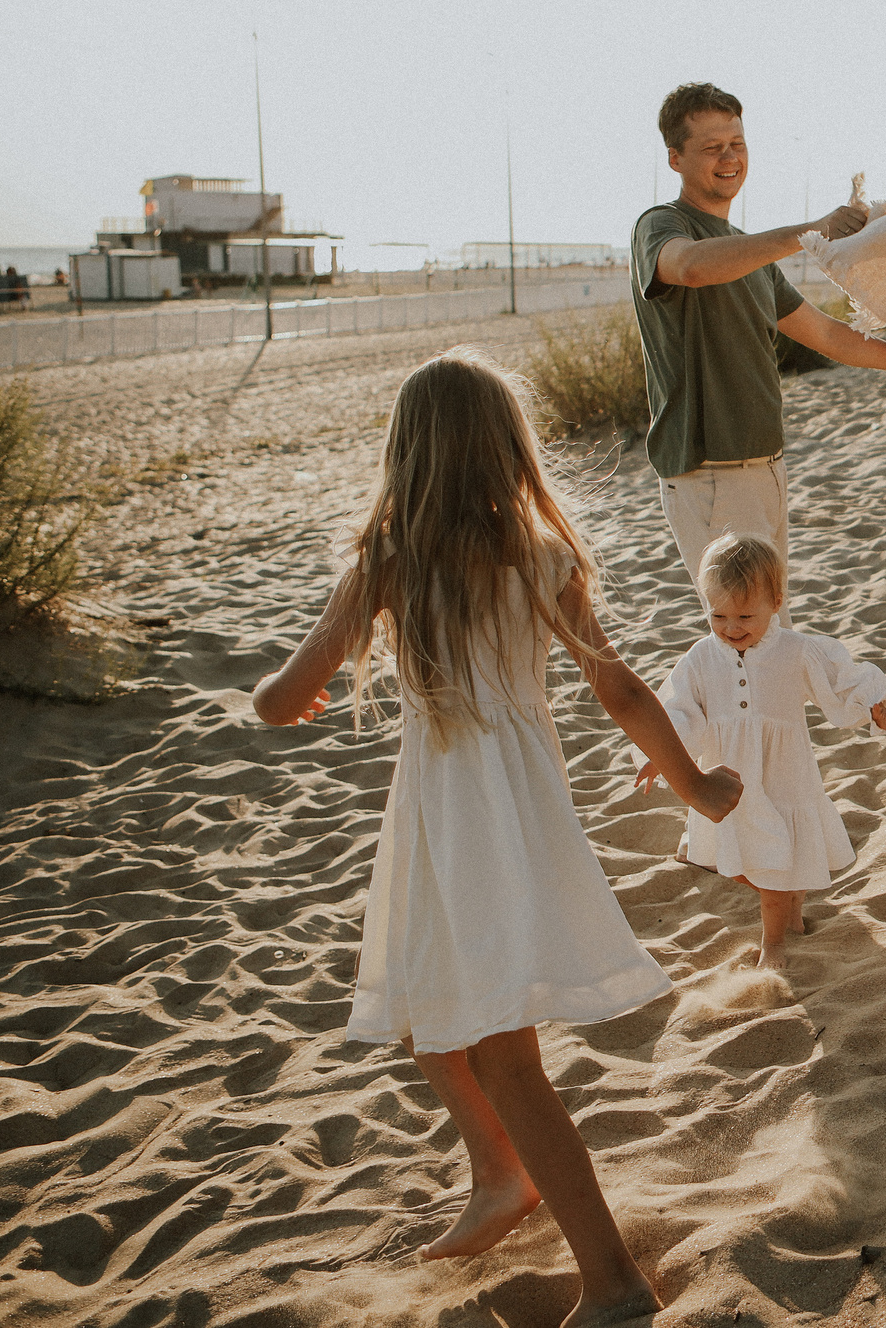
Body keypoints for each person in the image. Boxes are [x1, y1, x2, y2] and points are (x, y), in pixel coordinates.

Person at [251, 348, 743, 1315]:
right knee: (430, 1000)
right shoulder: (542, 555)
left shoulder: (386, 562)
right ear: (507, 450)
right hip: (511, 806)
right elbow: (619, 685)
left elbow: (280, 699)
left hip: (456, 813)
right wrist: (696, 781)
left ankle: (610, 1276)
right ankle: (498, 1173)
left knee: (505, 1054)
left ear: (408, 456)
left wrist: (283, 696)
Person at [633, 82, 886, 594]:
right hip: (710, 473)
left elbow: (831, 336)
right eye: (712, 147)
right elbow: (690, 267)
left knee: (769, 633)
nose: (729, 157)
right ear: (675, 159)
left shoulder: (749, 252)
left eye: (737, 144)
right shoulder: (662, 225)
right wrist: (810, 232)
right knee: (747, 637)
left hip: (766, 467)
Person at [642, 531, 886, 970]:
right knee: (743, 860)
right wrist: (660, 752)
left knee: (775, 856)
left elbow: (839, 681)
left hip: (784, 772)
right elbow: (679, 708)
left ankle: (774, 943)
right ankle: (789, 905)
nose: (732, 628)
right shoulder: (700, 657)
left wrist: (877, 712)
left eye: (746, 616)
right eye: (719, 616)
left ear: (777, 602)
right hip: (730, 776)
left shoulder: (796, 650)